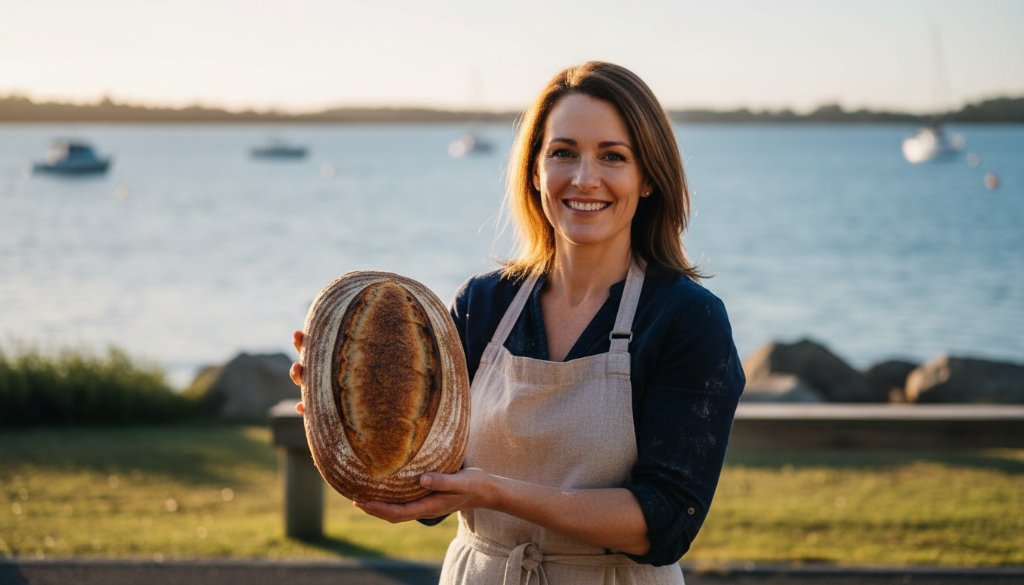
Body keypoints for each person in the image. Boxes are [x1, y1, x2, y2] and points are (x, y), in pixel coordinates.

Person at [290, 61, 744, 584]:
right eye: (563, 153)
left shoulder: (687, 318)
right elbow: (432, 486)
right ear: (534, 170)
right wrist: (337, 408)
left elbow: (663, 524)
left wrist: (497, 492)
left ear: (647, 179)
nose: (584, 178)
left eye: (612, 157)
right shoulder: (483, 305)